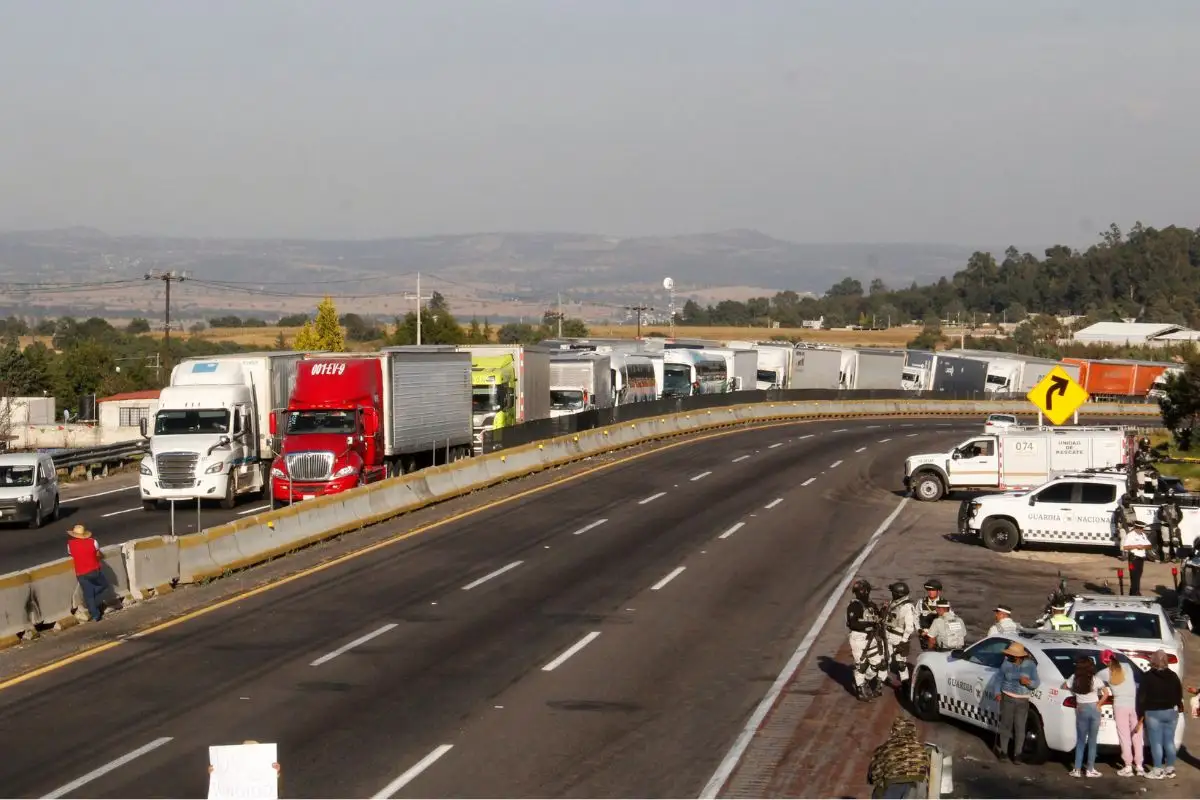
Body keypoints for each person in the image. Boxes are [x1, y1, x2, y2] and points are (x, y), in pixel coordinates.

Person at [1137, 650, 1185, 780]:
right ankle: (1170, 768)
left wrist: (1140, 714)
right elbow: (1179, 694)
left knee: (1156, 742)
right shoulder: (1173, 676)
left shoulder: (1147, 677)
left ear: (1153, 661)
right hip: (1171, 712)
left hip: (1153, 712)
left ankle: (1157, 769)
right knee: (1169, 741)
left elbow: (1142, 697)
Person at [991, 642, 1039, 763]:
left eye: (1014, 655)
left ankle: (1018, 754)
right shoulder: (1006, 663)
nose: (1012, 657)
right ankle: (1004, 752)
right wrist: (997, 692)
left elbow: (1036, 682)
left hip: (1023, 700)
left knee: (1020, 727)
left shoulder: (1030, 665)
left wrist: (1028, 683)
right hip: (1007, 697)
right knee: (1006, 725)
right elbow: (998, 678)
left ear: (1020, 656)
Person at [1098, 650, 1144, 777]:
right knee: (1137, 735)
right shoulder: (1127, 667)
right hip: (1134, 705)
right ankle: (1139, 766)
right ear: (1115, 657)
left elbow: (1095, 681)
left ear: (1103, 661)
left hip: (1120, 705)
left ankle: (1128, 766)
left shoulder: (1103, 673)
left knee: (1124, 736)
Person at [1061, 656, 1107, 778]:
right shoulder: (1095, 679)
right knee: (1092, 741)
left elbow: (1064, 686)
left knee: (1081, 741)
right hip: (1094, 708)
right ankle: (1090, 769)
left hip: (1081, 708)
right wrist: (1099, 704)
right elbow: (1106, 693)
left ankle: (1076, 769)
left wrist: (1074, 694)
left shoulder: (1074, 678)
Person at [867, 716, 928, 796]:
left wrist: (874, 781)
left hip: (894, 783)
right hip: (916, 785)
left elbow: (875, 772)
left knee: (878, 793)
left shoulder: (886, 747)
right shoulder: (921, 748)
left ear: (894, 731)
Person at [846, 578, 886, 701]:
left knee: (878, 664)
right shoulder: (854, 606)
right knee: (861, 666)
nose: (860, 593)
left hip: (872, 637)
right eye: (858, 591)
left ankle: (866, 680)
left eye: (862, 590)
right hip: (858, 638)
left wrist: (884, 610)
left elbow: (879, 618)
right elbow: (853, 624)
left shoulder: (871, 605)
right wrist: (870, 624)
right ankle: (861, 689)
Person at [67, 524, 110, 623]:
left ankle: (96, 615)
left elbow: (71, 554)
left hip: (80, 573)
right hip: (94, 571)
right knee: (104, 584)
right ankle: (91, 598)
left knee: (88, 594)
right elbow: (98, 555)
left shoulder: (70, 544)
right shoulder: (93, 542)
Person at [884, 581, 919, 688]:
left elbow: (909, 628)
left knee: (901, 663)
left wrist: (903, 641)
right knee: (885, 659)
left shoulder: (907, 607)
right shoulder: (893, 602)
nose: (892, 594)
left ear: (898, 594)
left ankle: (905, 683)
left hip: (899, 637)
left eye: (893, 592)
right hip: (888, 634)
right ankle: (883, 679)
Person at [916, 579, 945, 651]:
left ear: (938, 591)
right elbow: (915, 617)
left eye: (933, 590)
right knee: (926, 654)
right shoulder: (921, 602)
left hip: (939, 635)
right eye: (928, 590)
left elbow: (950, 618)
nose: (930, 592)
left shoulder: (944, 603)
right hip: (925, 634)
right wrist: (919, 630)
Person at [1160, 492, 1182, 561]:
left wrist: (1176, 522)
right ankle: (1166, 557)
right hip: (1165, 526)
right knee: (1166, 542)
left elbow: (1180, 515)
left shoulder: (1176, 506)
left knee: (1175, 542)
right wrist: (1166, 520)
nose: (1170, 499)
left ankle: (1177, 557)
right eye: (1169, 498)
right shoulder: (1162, 506)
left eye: (1171, 498)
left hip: (1174, 526)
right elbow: (1159, 516)